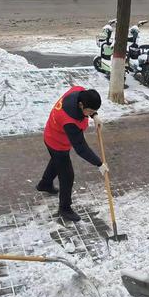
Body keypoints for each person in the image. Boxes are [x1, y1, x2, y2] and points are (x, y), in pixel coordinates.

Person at [36, 87, 108, 222]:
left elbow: (87, 105)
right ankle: (64, 208)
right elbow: (80, 148)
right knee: (67, 175)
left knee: (57, 162)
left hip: (52, 134)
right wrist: (99, 163)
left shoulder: (79, 92)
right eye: (90, 111)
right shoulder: (69, 121)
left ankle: (45, 184)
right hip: (56, 143)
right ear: (81, 105)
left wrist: (95, 115)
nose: (90, 114)